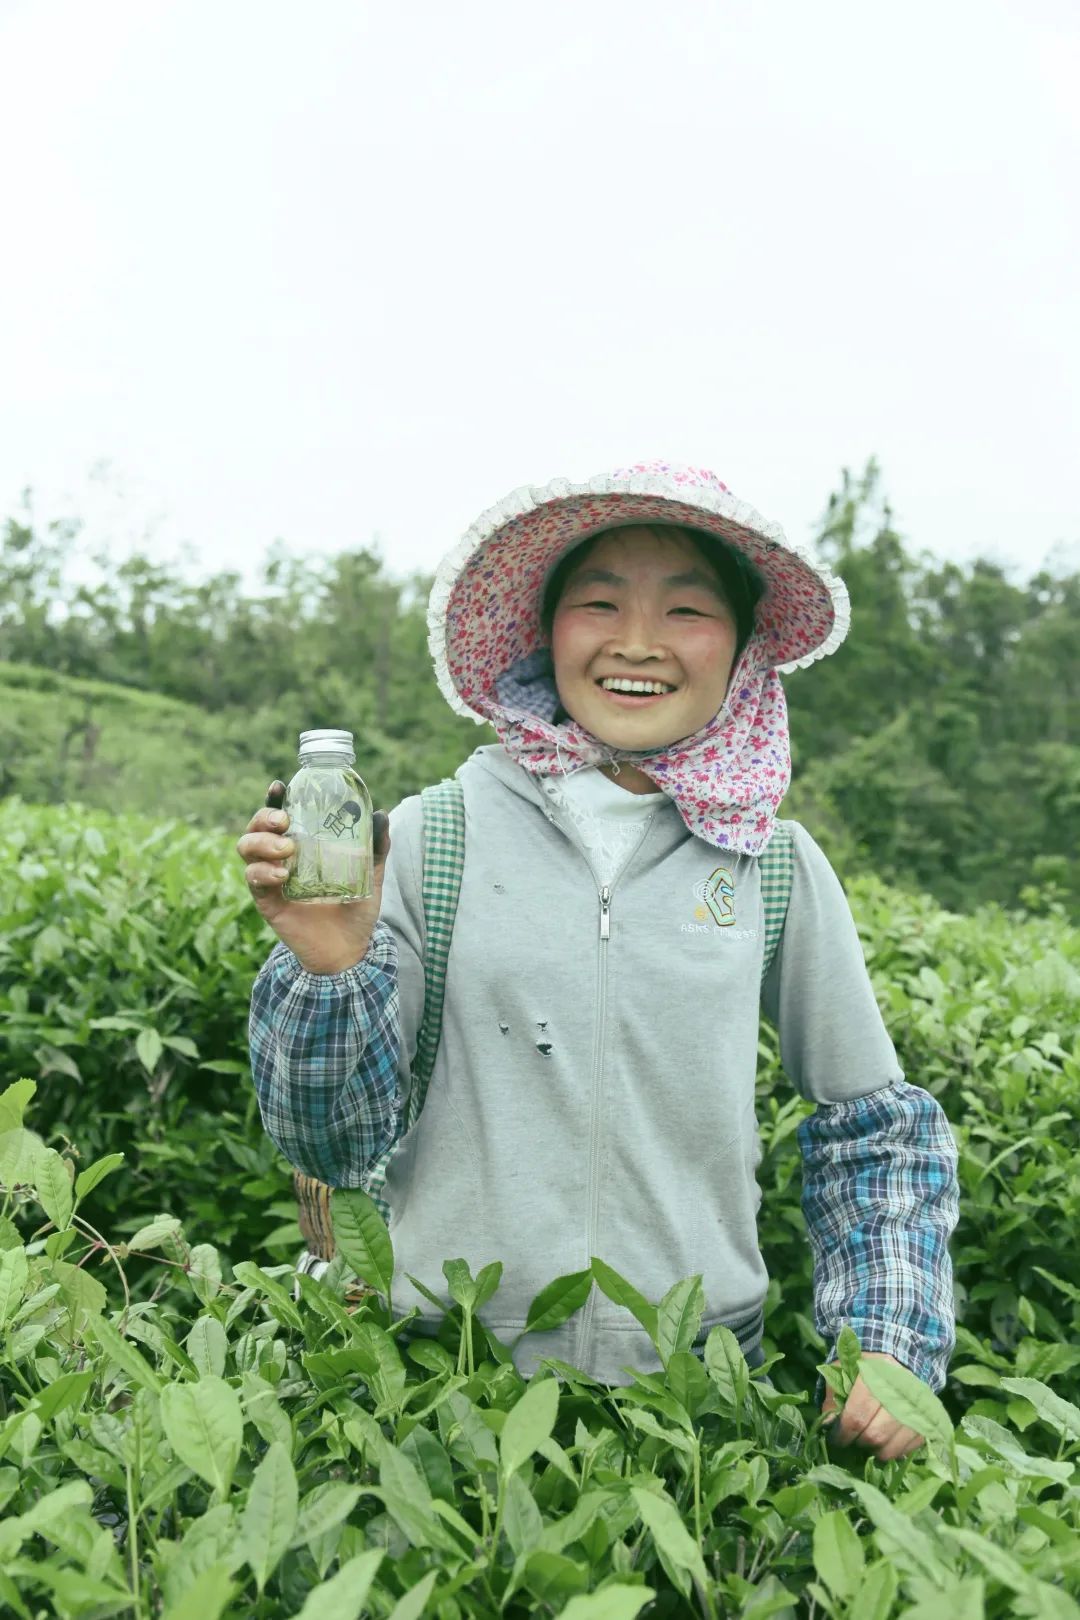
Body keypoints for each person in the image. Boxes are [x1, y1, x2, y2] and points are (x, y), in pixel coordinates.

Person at [239, 461, 960, 1463]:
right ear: (547, 631)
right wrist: (329, 970)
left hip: (696, 1412)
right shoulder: (428, 838)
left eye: (687, 608)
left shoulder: (772, 864)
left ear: (745, 645)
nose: (636, 642)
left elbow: (872, 1136)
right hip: (441, 1396)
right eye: (600, 603)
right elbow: (324, 1144)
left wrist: (887, 1342)